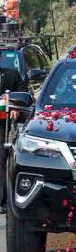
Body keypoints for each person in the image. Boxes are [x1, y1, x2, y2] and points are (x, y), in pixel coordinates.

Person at [0, 65, 23, 214]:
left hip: (1, 123)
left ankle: (2, 201)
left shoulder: (11, 75)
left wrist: (15, 106)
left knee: (1, 158)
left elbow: (22, 95)